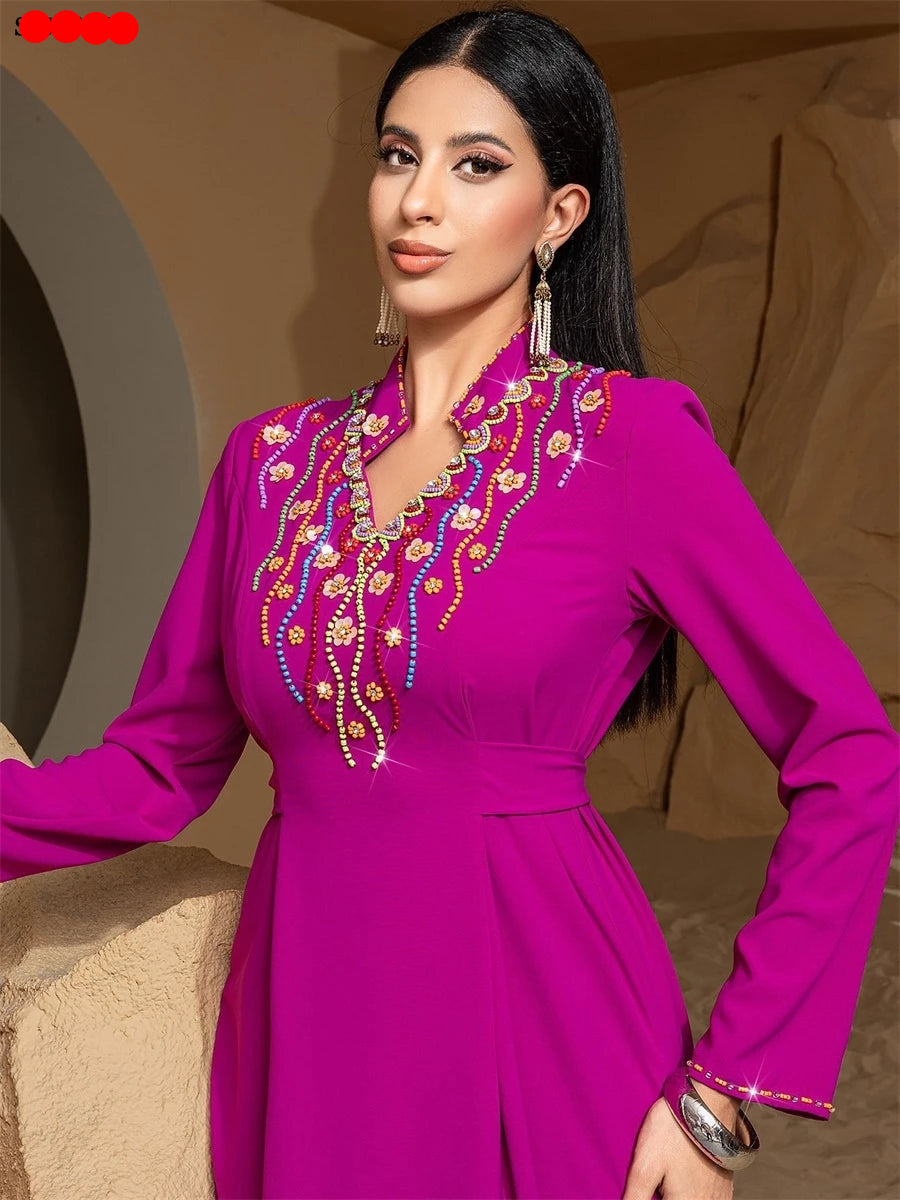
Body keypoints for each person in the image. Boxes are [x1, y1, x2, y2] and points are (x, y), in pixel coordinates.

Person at [2, 4, 898, 1198]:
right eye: (397, 155)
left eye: (476, 164)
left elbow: (850, 750)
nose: (418, 200)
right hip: (307, 1015)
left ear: (559, 214)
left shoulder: (628, 443)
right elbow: (157, 767)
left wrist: (722, 1093)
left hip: (544, 1013)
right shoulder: (269, 465)